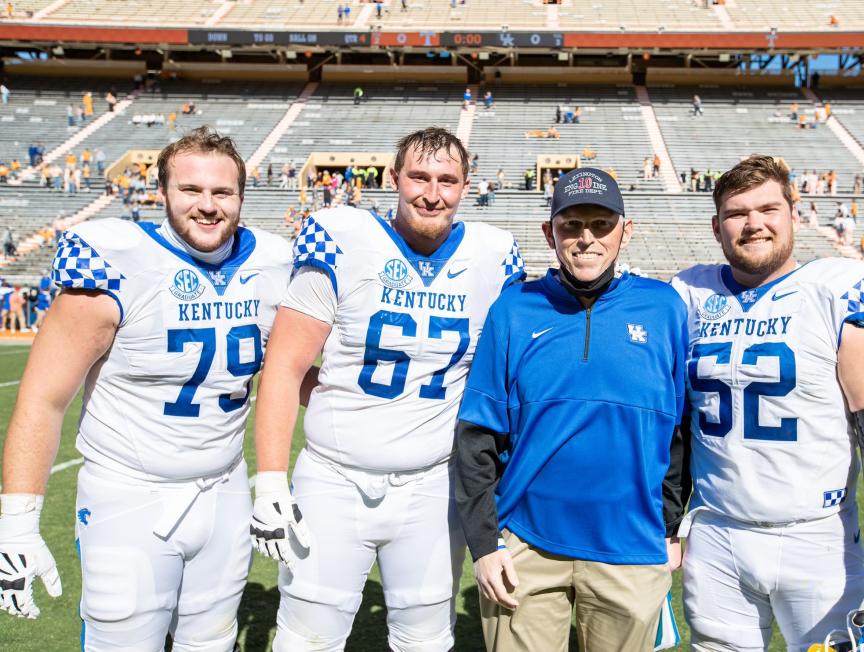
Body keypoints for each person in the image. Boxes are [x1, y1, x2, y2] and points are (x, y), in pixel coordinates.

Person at [0, 128, 293, 650]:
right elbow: (43, 400)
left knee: (212, 642)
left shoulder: (273, 263)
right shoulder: (121, 260)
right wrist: (17, 523)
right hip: (128, 497)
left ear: (242, 197)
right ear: (162, 193)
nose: (207, 205)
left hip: (224, 489)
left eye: (222, 193)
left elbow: (299, 368)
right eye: (190, 190)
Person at [250, 127, 525, 651]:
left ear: (466, 186)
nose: (432, 192)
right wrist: (269, 483)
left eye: (447, 180)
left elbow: (506, 382)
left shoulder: (494, 255)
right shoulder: (344, 237)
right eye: (419, 177)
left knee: (425, 637)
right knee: (306, 636)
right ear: (393, 179)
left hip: (432, 484)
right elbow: (284, 366)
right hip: (333, 477)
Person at [671, 155, 864, 651]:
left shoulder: (838, 288)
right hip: (716, 533)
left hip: (815, 537)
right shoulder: (688, 292)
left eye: (768, 208)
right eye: (737, 213)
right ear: (717, 226)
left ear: (794, 213)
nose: (754, 223)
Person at [455, 167, 687, 651]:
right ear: (549, 232)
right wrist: (484, 544)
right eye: (571, 225)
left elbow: (679, 433)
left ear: (626, 230)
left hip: (632, 547)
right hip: (525, 545)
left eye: (601, 224)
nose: (586, 239)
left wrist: (668, 528)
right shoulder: (513, 309)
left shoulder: (664, 308)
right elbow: (477, 436)